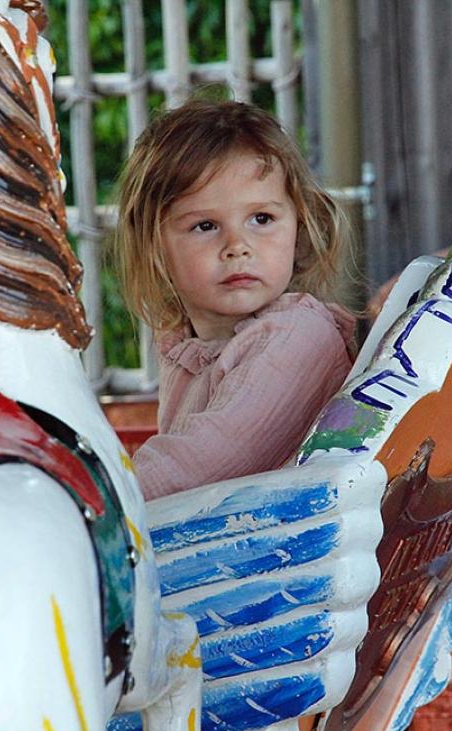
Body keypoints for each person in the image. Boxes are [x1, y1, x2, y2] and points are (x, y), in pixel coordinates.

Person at [115, 100, 356, 500]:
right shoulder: (184, 342)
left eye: (261, 219)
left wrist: (96, 495)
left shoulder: (298, 337)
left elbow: (197, 466)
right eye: (205, 225)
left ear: (298, 224)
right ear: (154, 245)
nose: (237, 246)